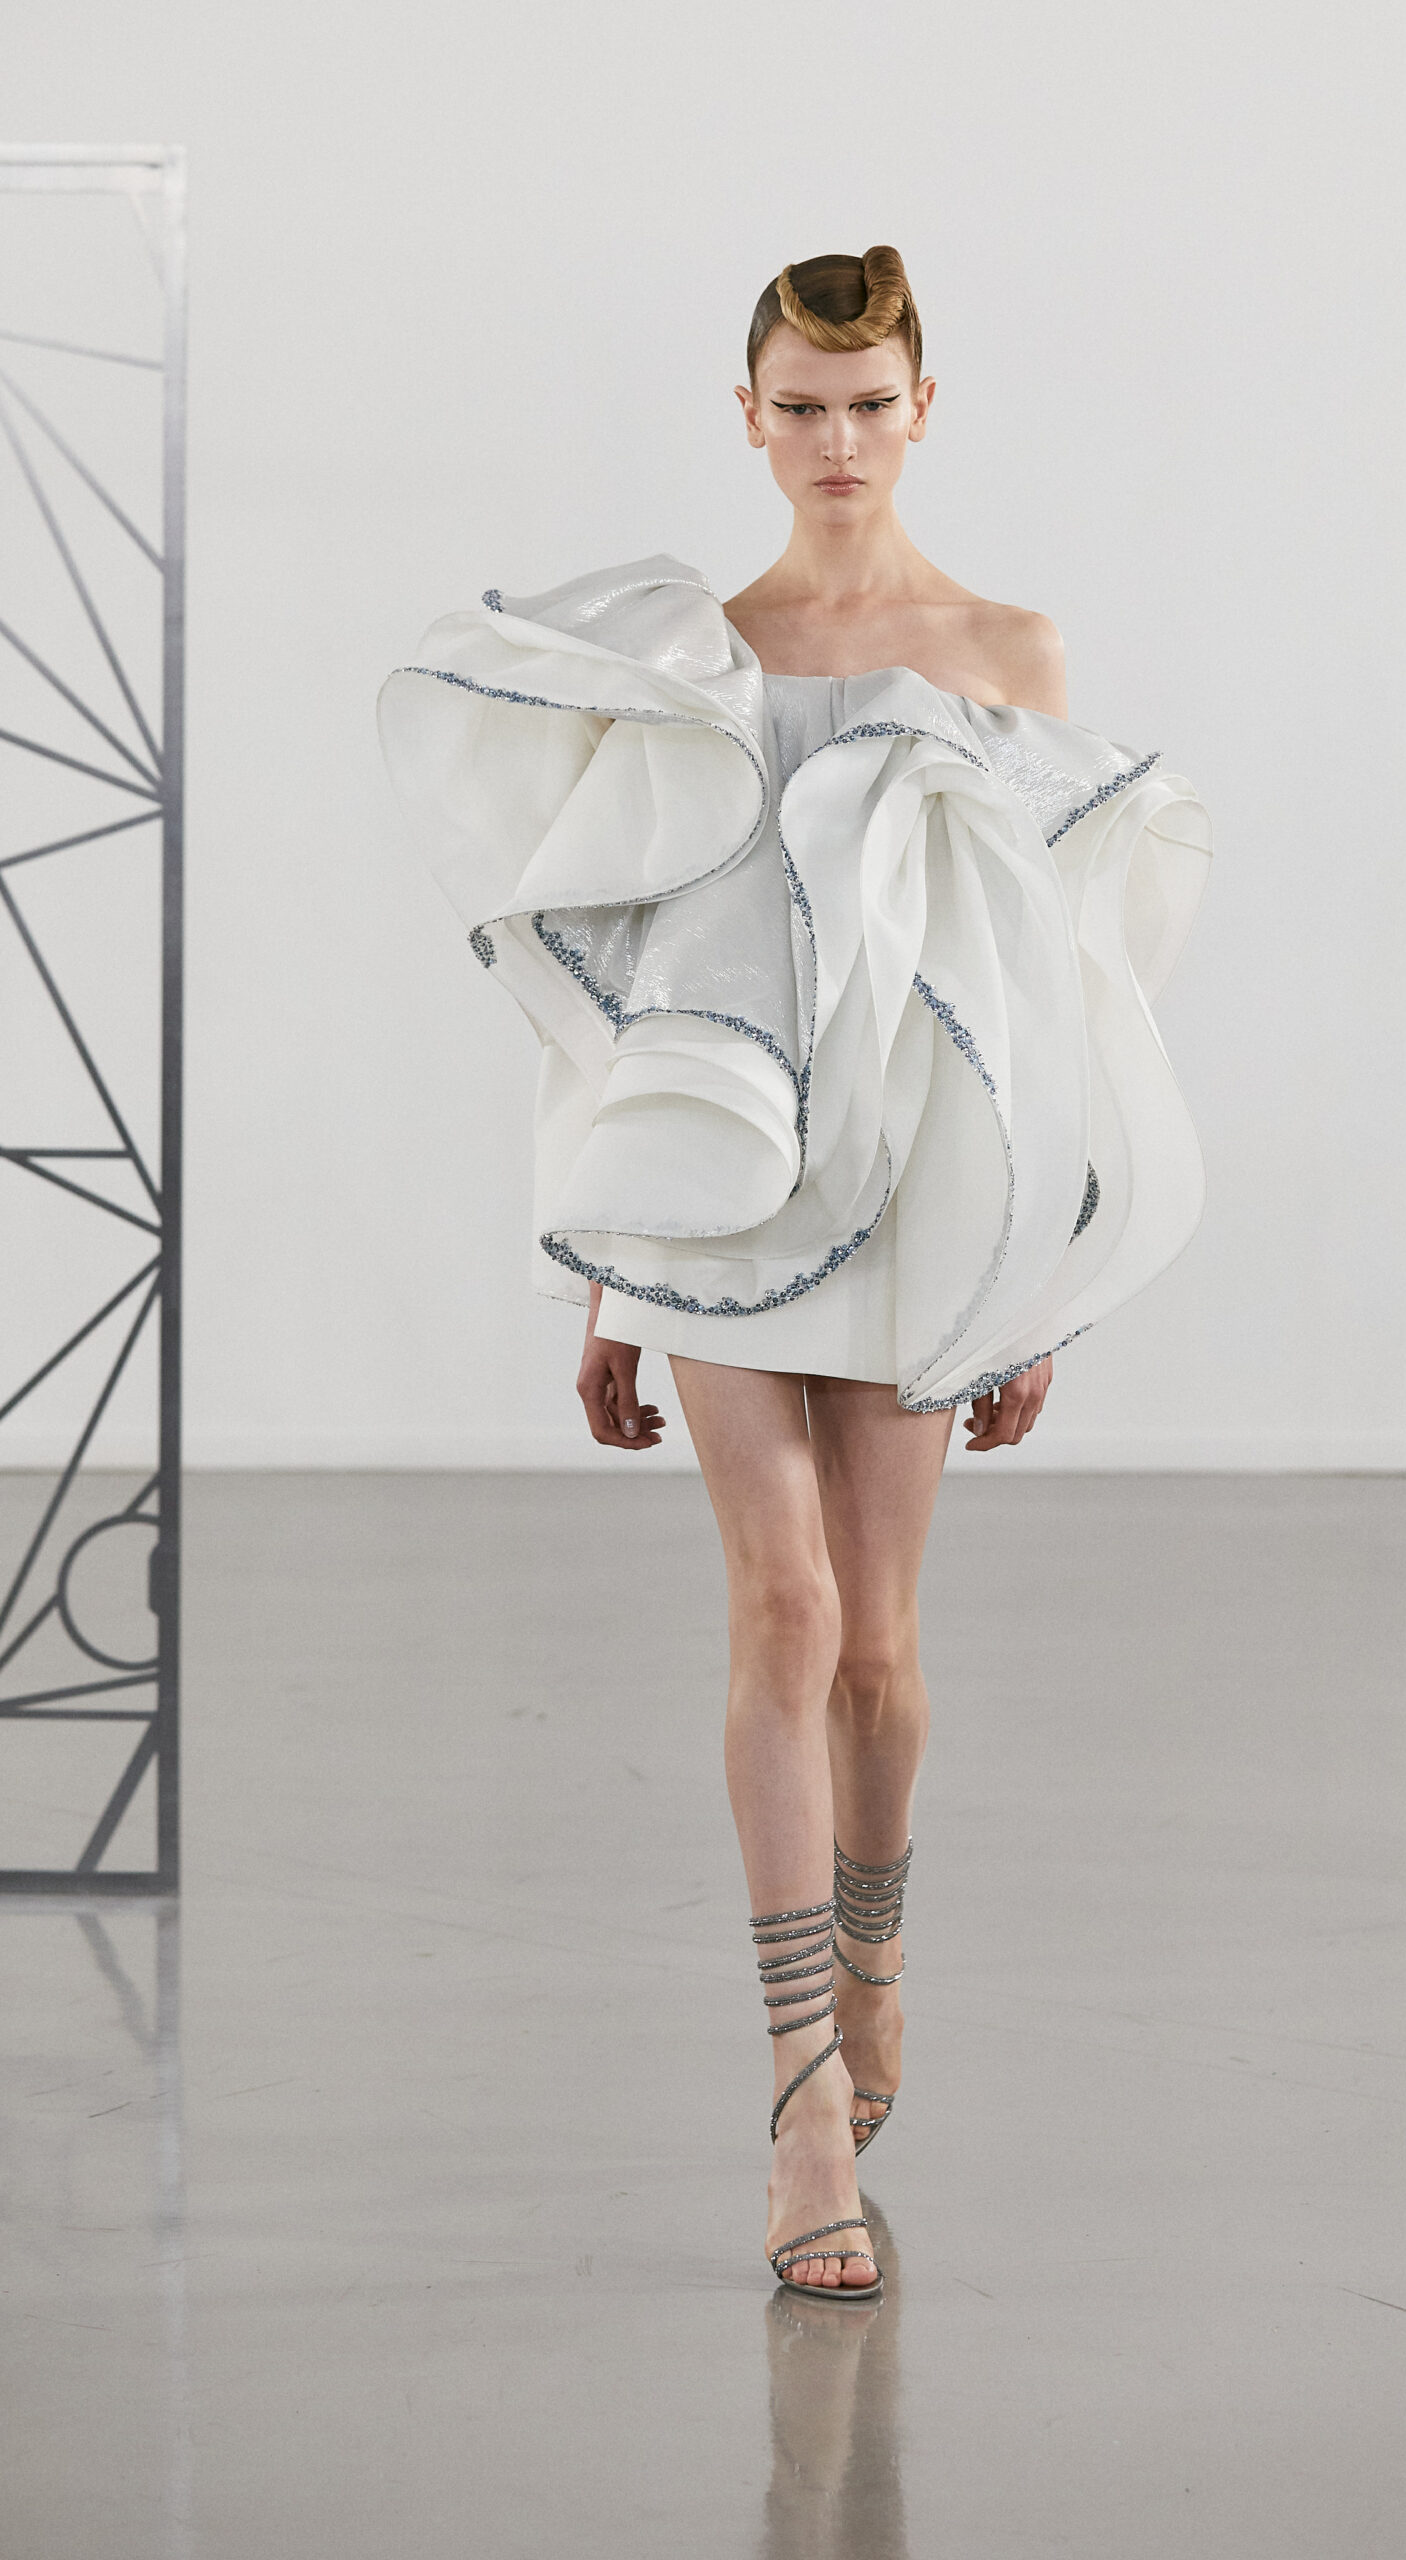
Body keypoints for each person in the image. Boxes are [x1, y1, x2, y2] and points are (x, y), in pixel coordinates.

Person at [379, 246, 1210, 2301]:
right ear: (745, 418)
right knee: (784, 1603)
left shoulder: (1005, 650)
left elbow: (1053, 988)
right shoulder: (706, 657)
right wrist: (608, 1268)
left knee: (880, 1651)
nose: (836, 441)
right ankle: (801, 2102)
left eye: (868, 405)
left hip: (928, 1181)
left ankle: (877, 1944)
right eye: (800, 407)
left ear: (922, 410)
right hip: (721, 1196)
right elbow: (651, 974)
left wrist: (1041, 1278)